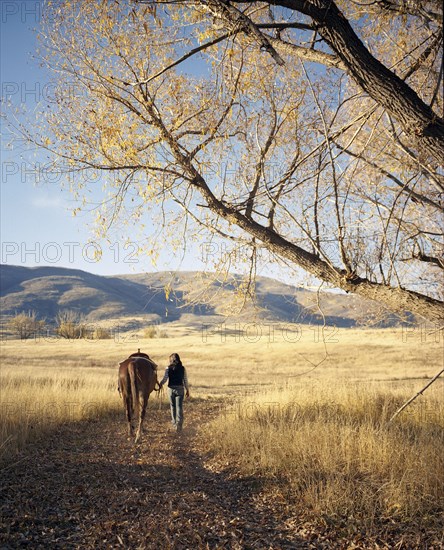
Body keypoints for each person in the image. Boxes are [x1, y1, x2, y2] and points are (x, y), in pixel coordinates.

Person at [158, 353, 190, 432]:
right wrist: (187, 390)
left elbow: (165, 379)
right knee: (179, 407)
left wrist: (160, 384)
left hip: (171, 389)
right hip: (180, 389)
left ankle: (174, 424)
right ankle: (179, 425)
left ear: (171, 360)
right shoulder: (183, 368)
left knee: (172, 407)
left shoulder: (168, 368)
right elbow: (185, 380)